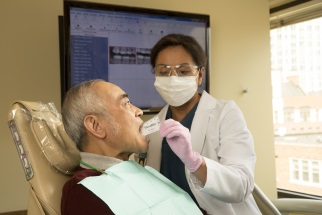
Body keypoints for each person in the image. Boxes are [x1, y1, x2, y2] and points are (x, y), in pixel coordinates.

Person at [146, 34, 262, 214]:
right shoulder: (152, 127)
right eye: (164, 72)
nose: (173, 78)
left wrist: (195, 162)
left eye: (183, 71)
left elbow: (242, 185)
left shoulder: (225, 113)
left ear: (200, 74)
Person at [60, 79, 205, 215]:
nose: (139, 111)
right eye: (126, 103)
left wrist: (193, 160)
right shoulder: (82, 193)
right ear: (96, 125)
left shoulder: (136, 171)